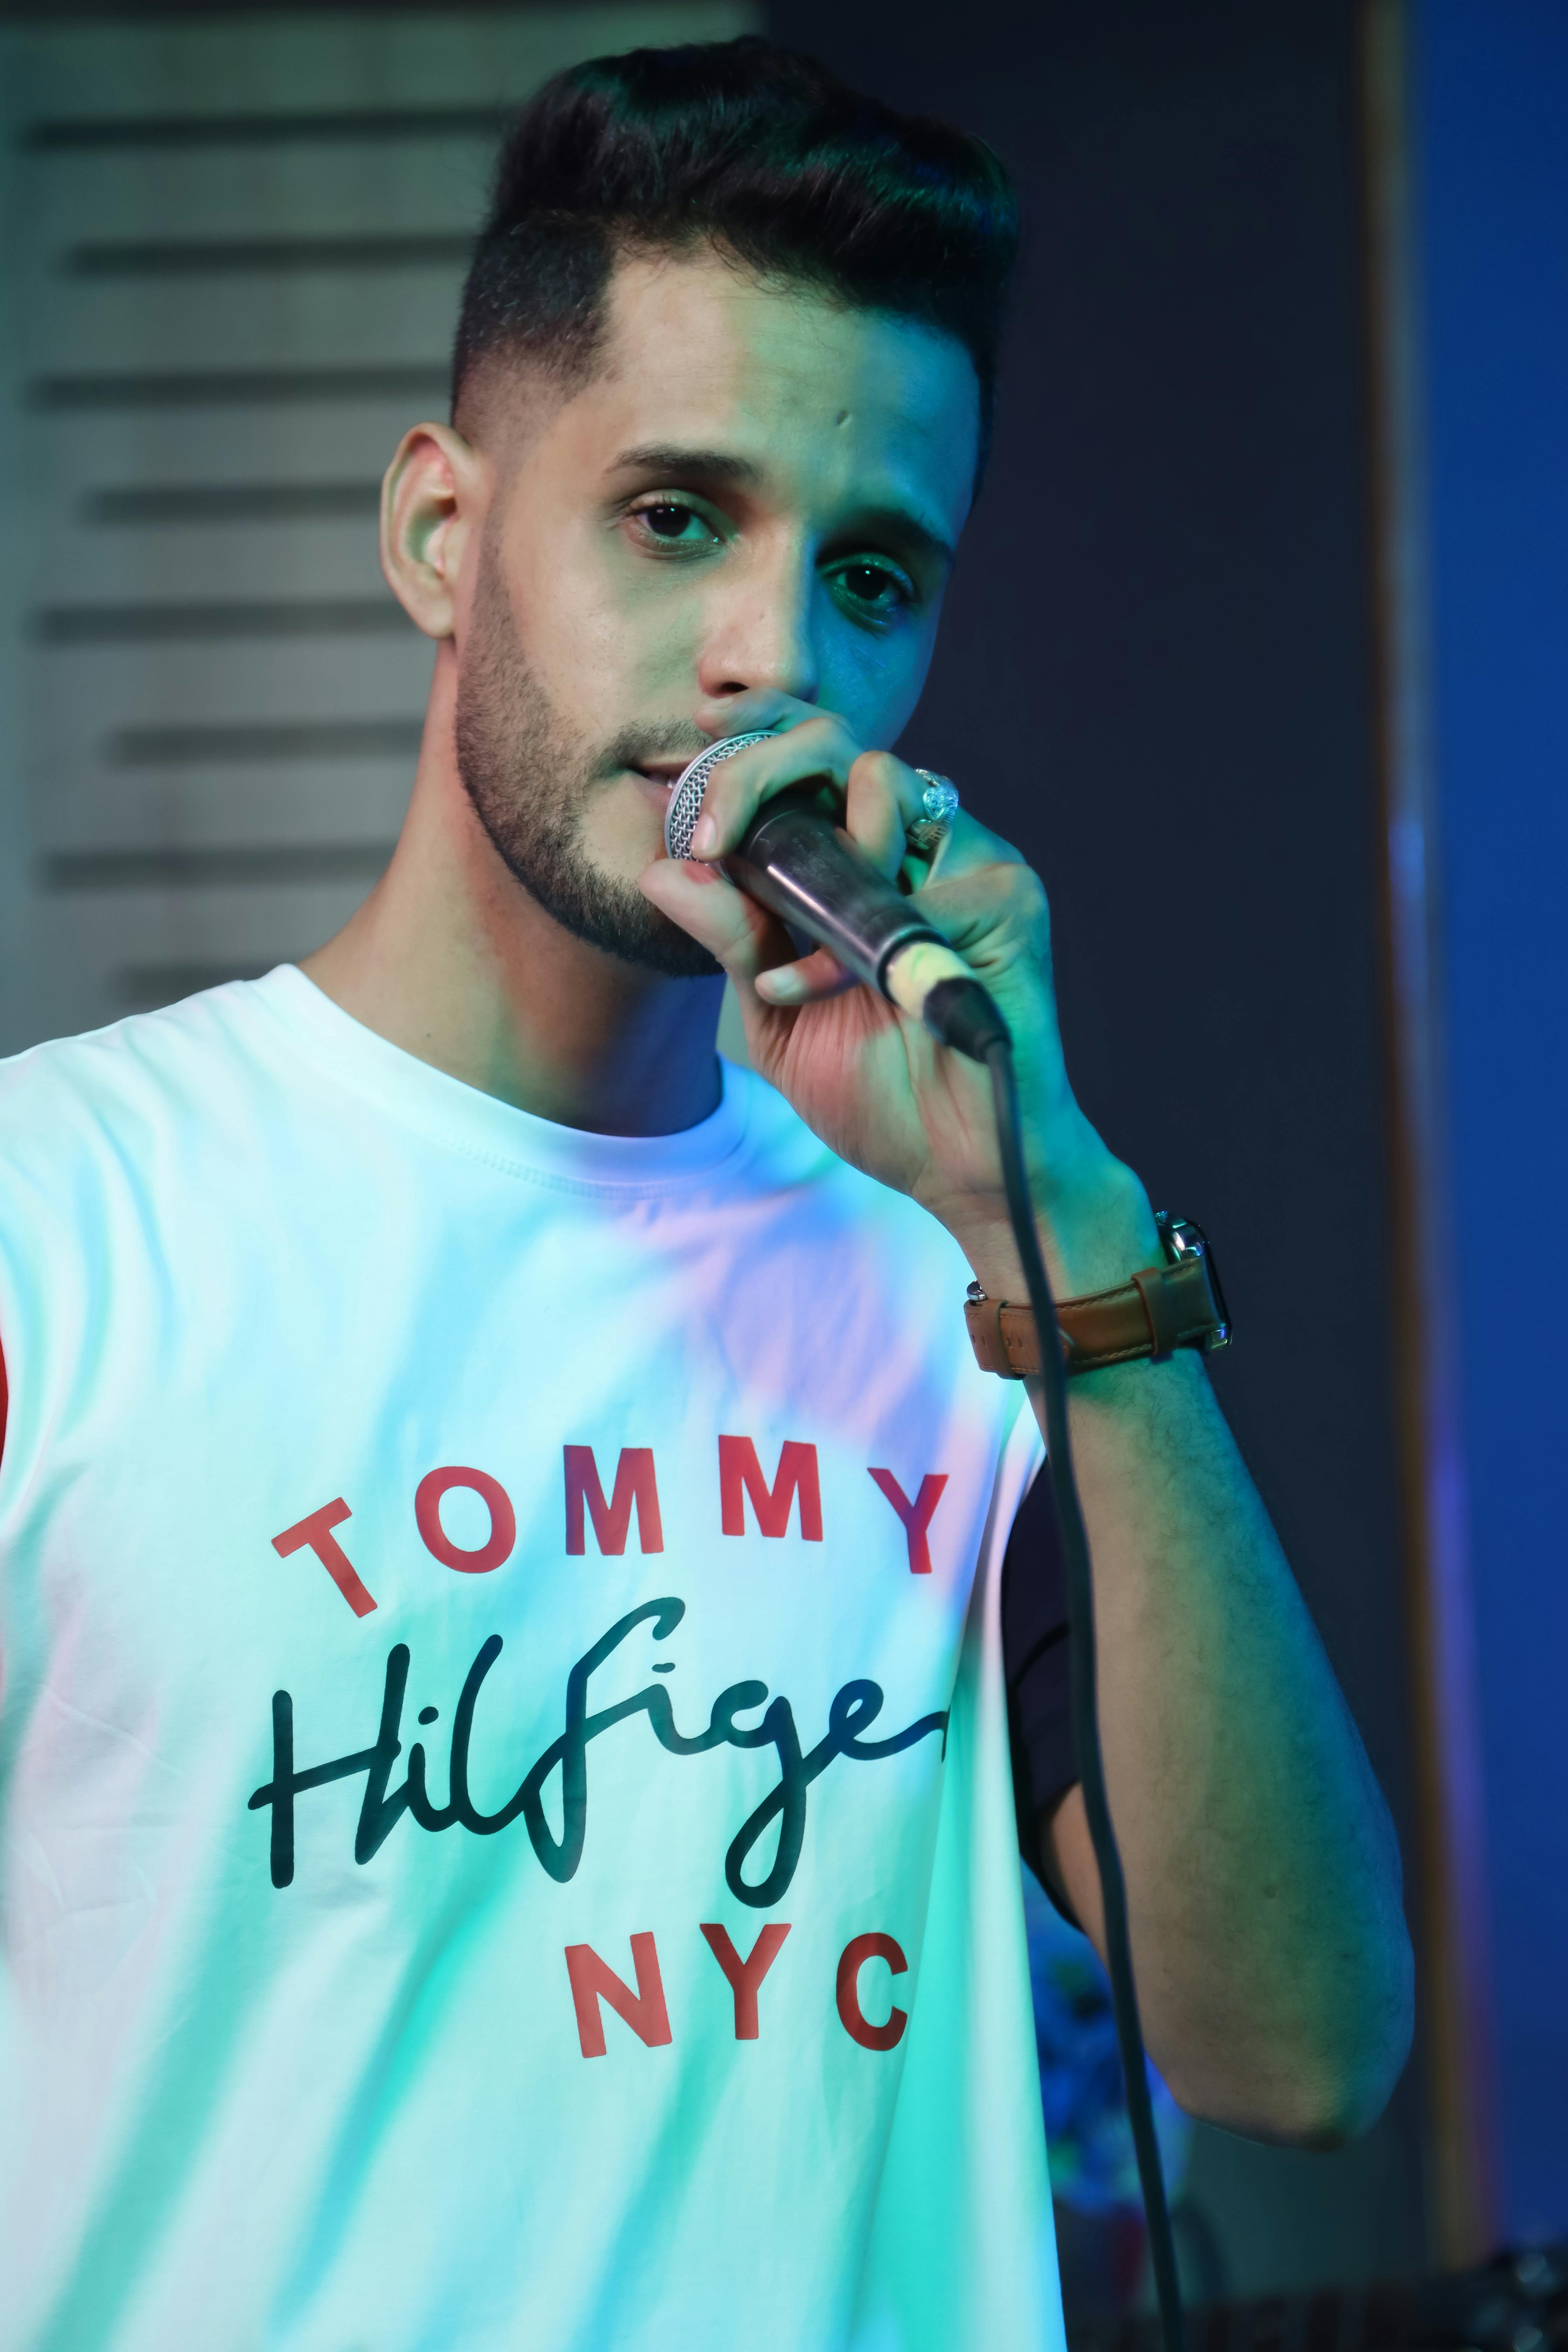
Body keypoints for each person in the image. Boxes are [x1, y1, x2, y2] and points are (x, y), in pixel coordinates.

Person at [0, 38, 1412, 2352]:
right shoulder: (58, 1228)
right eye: (677, 517)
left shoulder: (966, 1281)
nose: (787, 658)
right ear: (443, 535)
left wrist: (1054, 1221)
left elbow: (1298, 2050)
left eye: (873, 574)